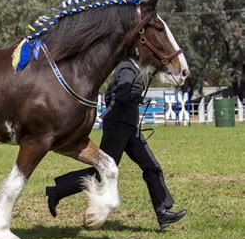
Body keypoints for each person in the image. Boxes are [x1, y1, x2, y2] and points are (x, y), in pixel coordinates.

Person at [46, 58, 186, 229]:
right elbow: (122, 94)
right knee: (101, 172)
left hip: (129, 127)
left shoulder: (134, 69)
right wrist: (136, 98)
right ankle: (57, 191)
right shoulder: (127, 67)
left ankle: (162, 212)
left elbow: (109, 96)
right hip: (118, 126)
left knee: (151, 166)